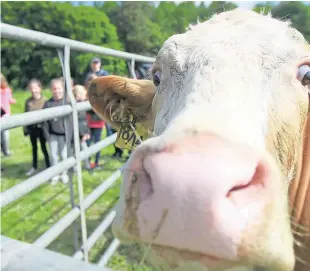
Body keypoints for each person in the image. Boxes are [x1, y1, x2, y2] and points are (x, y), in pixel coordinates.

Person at [43, 78, 71, 185]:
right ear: (51, 90)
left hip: (64, 135)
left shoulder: (67, 102)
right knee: (53, 155)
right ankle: (55, 174)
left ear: (63, 89)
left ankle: (64, 173)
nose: (57, 91)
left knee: (63, 155)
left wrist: (70, 135)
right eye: (54, 89)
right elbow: (44, 122)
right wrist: (47, 136)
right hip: (52, 134)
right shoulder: (48, 104)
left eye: (59, 88)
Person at [24, 79, 51, 176]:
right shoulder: (28, 101)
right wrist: (25, 129)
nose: (33, 90)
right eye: (31, 88)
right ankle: (34, 166)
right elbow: (25, 115)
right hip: (32, 128)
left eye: (35, 88)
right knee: (34, 148)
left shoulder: (45, 101)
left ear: (40, 88)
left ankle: (49, 166)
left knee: (44, 148)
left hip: (42, 128)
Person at [72, 85, 91, 170]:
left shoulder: (82, 105)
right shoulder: (75, 106)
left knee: (84, 150)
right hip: (77, 134)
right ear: (78, 95)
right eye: (83, 94)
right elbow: (77, 122)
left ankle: (86, 166)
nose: (85, 96)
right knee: (77, 151)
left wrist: (87, 132)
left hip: (82, 132)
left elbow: (85, 122)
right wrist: (82, 134)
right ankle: (76, 168)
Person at [1, 73, 16, 156]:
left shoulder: (7, 90)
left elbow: (9, 99)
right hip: (4, 114)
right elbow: (10, 100)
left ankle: (5, 151)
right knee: (4, 134)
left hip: (4, 114)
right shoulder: (7, 90)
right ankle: (5, 151)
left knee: (4, 134)